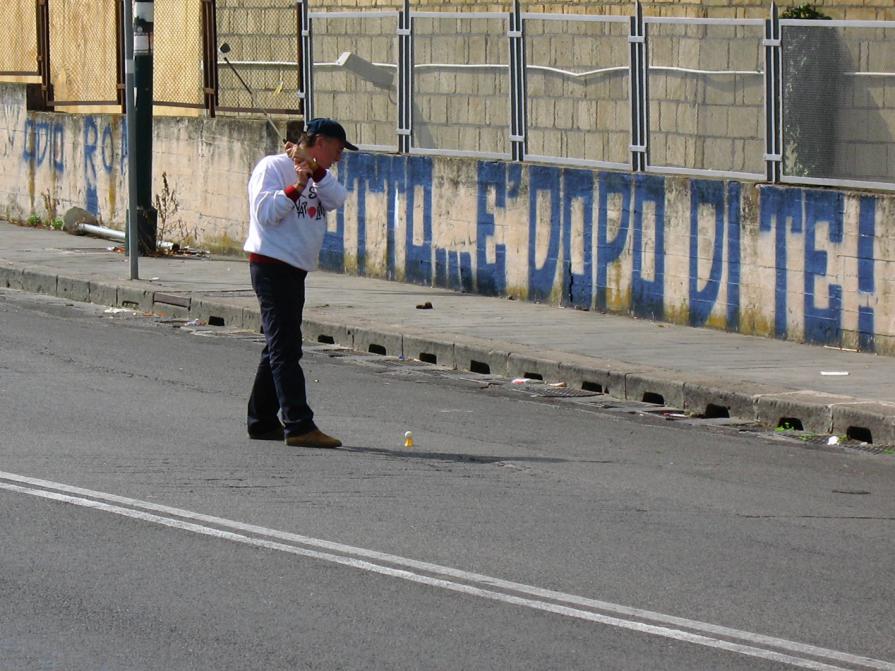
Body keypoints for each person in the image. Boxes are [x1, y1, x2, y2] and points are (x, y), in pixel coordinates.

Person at [244, 118, 357, 448]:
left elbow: (338, 198)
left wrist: (315, 172)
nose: (337, 157)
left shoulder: (322, 176)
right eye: (336, 149)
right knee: (285, 348)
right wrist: (296, 184)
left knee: (279, 344)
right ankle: (298, 424)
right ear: (320, 141)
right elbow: (265, 213)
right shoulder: (273, 167)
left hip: (295, 268)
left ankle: (261, 420)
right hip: (272, 265)